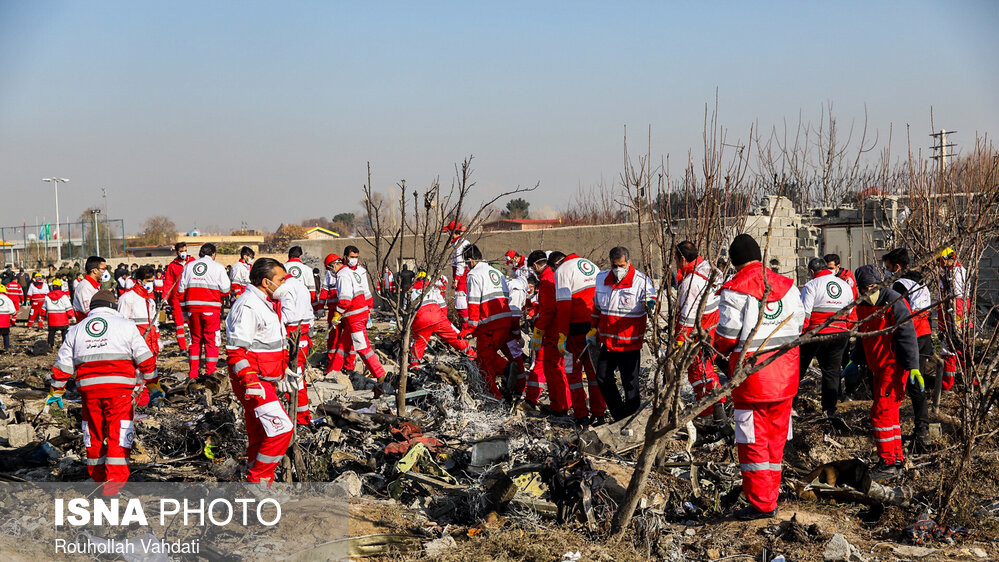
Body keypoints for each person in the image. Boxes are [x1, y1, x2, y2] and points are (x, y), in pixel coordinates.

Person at [715, 234, 805, 519]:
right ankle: (771, 495)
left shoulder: (735, 288)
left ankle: (761, 505)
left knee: (753, 442)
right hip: (786, 376)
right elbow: (799, 323)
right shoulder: (788, 286)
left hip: (753, 380)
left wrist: (716, 349)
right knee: (776, 441)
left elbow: (726, 336)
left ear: (733, 261)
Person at [48, 290, 160, 493]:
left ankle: (98, 480)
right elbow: (145, 358)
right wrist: (153, 385)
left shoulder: (76, 329)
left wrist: (57, 390)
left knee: (94, 434)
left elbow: (64, 364)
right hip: (119, 392)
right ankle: (113, 487)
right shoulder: (127, 326)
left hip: (89, 391)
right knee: (119, 434)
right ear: (113, 307)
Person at [225, 258, 296, 484]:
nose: (285, 283)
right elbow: (236, 350)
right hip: (255, 382)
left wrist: (282, 369)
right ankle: (257, 480)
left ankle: (257, 480)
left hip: (264, 379)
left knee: (260, 433)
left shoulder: (265, 302)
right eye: (281, 279)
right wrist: (250, 381)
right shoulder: (248, 306)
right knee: (281, 430)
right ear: (267, 282)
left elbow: (266, 344)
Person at [852, 265, 922, 475]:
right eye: (864, 288)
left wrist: (913, 367)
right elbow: (862, 334)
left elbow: (907, 335)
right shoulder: (861, 303)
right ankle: (895, 458)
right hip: (877, 367)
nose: (868, 291)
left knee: (881, 413)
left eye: (872, 286)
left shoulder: (894, 301)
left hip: (893, 367)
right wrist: (854, 360)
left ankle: (889, 463)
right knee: (889, 415)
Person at [590, 246, 656, 420]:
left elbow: (651, 299)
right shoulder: (601, 279)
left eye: (621, 265)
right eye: (615, 265)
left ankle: (631, 419)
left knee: (630, 384)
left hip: (629, 342)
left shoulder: (641, 281)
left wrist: (648, 304)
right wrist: (592, 327)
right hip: (609, 342)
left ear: (628, 263)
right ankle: (619, 415)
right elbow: (597, 306)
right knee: (602, 377)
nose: (618, 269)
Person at [550, 250, 606, 425]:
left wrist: (562, 335)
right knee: (594, 372)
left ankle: (581, 414)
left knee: (572, 373)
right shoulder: (591, 265)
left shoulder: (562, 271)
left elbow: (564, 306)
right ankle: (599, 413)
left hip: (574, 331)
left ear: (555, 265)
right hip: (595, 327)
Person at [799, 257, 857, 418]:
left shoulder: (811, 285)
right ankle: (830, 410)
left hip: (815, 334)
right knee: (832, 372)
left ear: (812, 271)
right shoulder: (845, 285)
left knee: (799, 369)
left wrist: (801, 336)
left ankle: (790, 406)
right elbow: (852, 315)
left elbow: (804, 314)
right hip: (839, 333)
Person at [674, 241, 725, 421]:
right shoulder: (710, 269)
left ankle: (707, 414)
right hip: (713, 327)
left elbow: (687, 317)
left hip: (697, 332)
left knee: (699, 373)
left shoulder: (691, 283)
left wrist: (679, 341)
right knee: (708, 370)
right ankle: (718, 408)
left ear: (682, 258)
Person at [462, 244, 521, 399]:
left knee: (483, 361)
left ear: (470, 260)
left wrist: (469, 328)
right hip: (505, 321)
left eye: (467, 264)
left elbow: (474, 303)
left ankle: (494, 396)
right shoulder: (495, 272)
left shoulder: (474, 275)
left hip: (489, 325)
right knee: (492, 355)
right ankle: (510, 376)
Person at [327, 250, 386, 381]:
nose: (330, 271)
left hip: (355, 317)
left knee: (362, 346)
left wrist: (337, 314)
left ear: (333, 265)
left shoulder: (342, 275)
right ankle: (332, 371)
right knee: (343, 345)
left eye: (329, 268)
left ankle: (380, 374)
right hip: (357, 314)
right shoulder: (351, 272)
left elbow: (345, 299)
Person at [179, 243, 231, 380]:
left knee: (195, 341)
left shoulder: (188, 266)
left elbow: (180, 290)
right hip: (211, 309)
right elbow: (226, 290)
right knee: (211, 340)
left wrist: (184, 312)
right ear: (213, 254)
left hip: (192, 309)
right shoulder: (218, 267)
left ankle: (193, 373)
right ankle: (210, 372)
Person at [527, 250, 569, 415]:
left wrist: (538, 331)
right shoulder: (554, 276)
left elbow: (549, 310)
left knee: (552, 369)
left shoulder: (546, 281)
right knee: (560, 368)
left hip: (552, 331)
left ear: (536, 265)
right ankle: (564, 403)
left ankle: (559, 407)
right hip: (558, 330)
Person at [408, 270, 471, 367]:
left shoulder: (410, 291)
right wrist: (443, 322)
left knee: (418, 344)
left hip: (421, 320)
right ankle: (471, 355)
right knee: (454, 337)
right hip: (438, 317)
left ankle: (413, 365)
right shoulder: (432, 288)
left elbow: (407, 312)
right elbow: (443, 307)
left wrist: (413, 328)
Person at [280, 273, 314, 425]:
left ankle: (300, 417)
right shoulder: (302, 286)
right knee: (298, 375)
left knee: (293, 375)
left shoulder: (285, 288)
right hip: (303, 333)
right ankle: (302, 415)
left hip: (292, 333)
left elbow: (287, 314)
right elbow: (310, 312)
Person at [936, 247, 968, 390]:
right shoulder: (950, 273)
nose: (939, 264)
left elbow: (957, 298)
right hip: (949, 313)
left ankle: (948, 383)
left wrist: (952, 319)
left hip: (953, 314)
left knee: (952, 346)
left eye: (940, 260)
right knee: (954, 346)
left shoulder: (956, 273)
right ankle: (957, 380)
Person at [163, 243, 195, 349]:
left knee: (193, 321)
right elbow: (168, 282)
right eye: (181, 251)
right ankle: (182, 347)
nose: (184, 253)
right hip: (176, 297)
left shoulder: (192, 262)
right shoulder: (172, 265)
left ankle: (194, 345)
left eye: (185, 250)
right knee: (179, 322)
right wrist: (165, 298)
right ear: (177, 252)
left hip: (190, 295)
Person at [445, 221, 471, 328]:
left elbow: (460, 264)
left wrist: (456, 280)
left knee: (461, 303)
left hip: (463, 277)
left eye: (448, 232)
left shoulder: (459, 244)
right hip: (464, 275)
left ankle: (465, 327)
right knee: (466, 302)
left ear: (452, 232)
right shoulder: (462, 242)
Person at [72, 256, 106, 321]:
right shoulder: (84, 287)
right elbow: (88, 311)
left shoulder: (95, 285)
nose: (105, 272)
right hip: (87, 324)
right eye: (103, 269)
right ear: (95, 270)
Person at [43, 278, 73, 346]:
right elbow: (68, 307)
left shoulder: (47, 296)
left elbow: (44, 308)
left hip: (52, 318)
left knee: (51, 333)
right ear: (60, 286)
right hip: (63, 318)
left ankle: (50, 345)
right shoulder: (64, 296)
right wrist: (71, 316)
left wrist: (42, 316)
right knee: (64, 332)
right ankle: (64, 345)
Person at [0, 286, 15, 350]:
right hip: (5, 320)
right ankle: (6, 348)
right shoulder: (8, 299)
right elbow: (13, 311)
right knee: (5, 335)